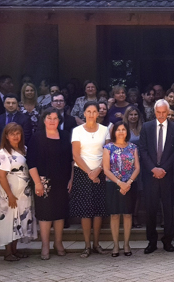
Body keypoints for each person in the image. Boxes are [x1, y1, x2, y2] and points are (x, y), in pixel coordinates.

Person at [27, 108, 72, 260]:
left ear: (59, 120)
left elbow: (71, 160)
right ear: (44, 120)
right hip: (43, 181)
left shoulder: (65, 136)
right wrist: (37, 183)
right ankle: (45, 244)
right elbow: (31, 162)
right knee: (45, 214)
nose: (52, 121)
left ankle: (58, 243)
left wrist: (71, 179)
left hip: (62, 181)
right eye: (49, 118)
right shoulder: (37, 137)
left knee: (60, 213)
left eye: (55, 118)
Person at [140, 100, 174, 254]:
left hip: (168, 175)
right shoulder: (146, 127)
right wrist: (153, 168)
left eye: (164, 112)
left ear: (168, 111)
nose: (162, 115)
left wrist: (163, 168)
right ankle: (151, 241)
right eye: (159, 112)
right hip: (150, 176)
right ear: (154, 112)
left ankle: (168, 241)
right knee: (150, 210)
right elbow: (142, 150)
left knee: (168, 210)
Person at [70, 101, 110, 257]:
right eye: (89, 111)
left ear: (98, 113)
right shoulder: (77, 131)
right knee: (85, 211)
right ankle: (87, 246)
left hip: (100, 172)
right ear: (84, 113)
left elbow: (107, 152)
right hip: (82, 173)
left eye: (95, 111)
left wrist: (98, 170)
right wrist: (89, 172)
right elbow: (76, 154)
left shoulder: (105, 130)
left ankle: (96, 244)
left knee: (98, 210)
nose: (92, 114)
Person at [0, 123, 37, 261]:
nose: (15, 136)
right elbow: (0, 176)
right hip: (9, 193)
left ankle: (15, 250)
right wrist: (10, 195)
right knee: (8, 220)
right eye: (12, 134)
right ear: (6, 136)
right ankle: (8, 253)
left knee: (19, 220)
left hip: (23, 194)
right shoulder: (3, 153)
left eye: (18, 133)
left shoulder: (24, 149)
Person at [102, 122, 140, 257]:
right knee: (115, 215)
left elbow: (137, 168)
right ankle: (116, 245)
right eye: (118, 130)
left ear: (127, 132)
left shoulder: (133, 147)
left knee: (128, 214)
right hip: (113, 184)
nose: (121, 132)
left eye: (123, 129)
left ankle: (126, 244)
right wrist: (119, 183)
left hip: (130, 184)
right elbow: (106, 169)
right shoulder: (108, 148)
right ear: (114, 132)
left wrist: (128, 183)